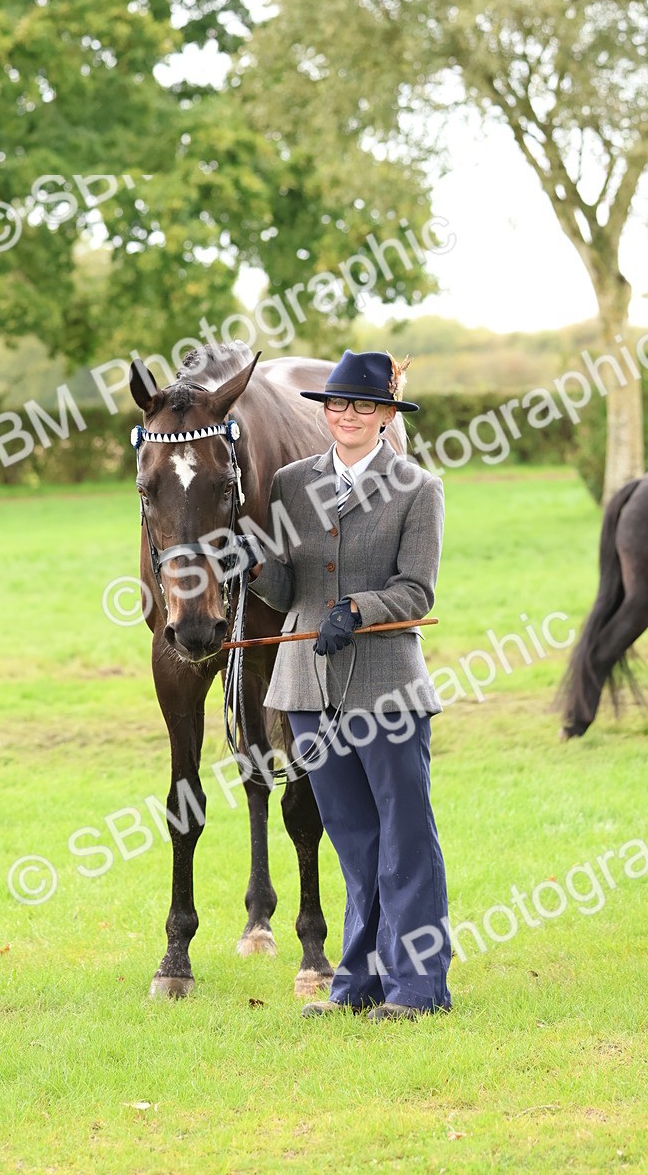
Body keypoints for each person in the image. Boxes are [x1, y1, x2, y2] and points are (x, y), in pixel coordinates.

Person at [242, 349, 451, 1021]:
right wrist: (254, 567)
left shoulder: (418, 488)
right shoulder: (290, 484)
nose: (348, 415)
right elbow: (286, 588)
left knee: (404, 839)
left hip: (388, 689)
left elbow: (415, 591)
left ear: (386, 415)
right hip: (307, 689)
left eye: (364, 405)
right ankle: (357, 984)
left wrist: (358, 610)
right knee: (354, 842)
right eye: (338, 404)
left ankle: (418, 988)